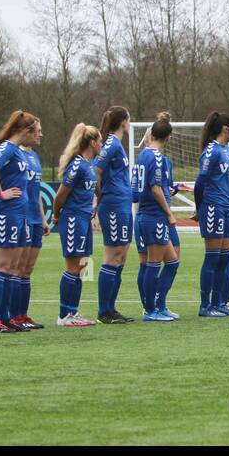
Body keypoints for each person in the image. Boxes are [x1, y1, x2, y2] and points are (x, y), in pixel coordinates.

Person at [0, 111, 38, 332]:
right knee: (2, 265)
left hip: (19, 213)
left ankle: (5, 317)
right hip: (7, 212)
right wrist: (1, 193)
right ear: (24, 131)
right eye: (34, 131)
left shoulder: (17, 151)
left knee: (12, 267)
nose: (36, 136)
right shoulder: (6, 147)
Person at [134, 113, 181, 322]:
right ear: (168, 137)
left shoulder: (142, 155)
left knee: (171, 262)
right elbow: (154, 187)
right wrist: (169, 213)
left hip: (143, 214)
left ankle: (158, 305)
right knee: (153, 263)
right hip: (154, 216)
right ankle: (151, 310)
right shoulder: (157, 157)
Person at [54, 123, 101, 326]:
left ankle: (73, 313)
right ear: (92, 142)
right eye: (99, 141)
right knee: (73, 267)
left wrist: (94, 204)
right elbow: (60, 196)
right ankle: (64, 315)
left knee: (82, 267)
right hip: (73, 219)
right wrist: (56, 216)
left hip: (84, 220)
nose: (101, 145)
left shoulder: (89, 165)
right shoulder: (77, 165)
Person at [92, 107, 136, 324]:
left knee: (122, 255)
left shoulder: (117, 144)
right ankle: (104, 311)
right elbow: (95, 170)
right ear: (123, 122)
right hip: (113, 204)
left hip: (123, 203)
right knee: (113, 255)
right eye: (129, 119)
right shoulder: (110, 143)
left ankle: (111, 308)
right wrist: (99, 197)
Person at [195, 111, 229, 317]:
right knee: (212, 258)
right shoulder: (211, 151)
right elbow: (200, 184)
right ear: (226, 129)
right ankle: (205, 306)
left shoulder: (226, 151)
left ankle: (219, 302)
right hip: (213, 208)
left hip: (227, 207)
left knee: (224, 258)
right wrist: (200, 208)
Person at [8, 126, 48, 330]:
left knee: (27, 269)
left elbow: (36, 191)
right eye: (37, 131)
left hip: (35, 218)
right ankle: (12, 316)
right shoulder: (15, 155)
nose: (41, 134)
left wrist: (42, 219)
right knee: (17, 268)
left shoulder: (35, 157)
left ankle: (22, 315)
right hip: (21, 216)